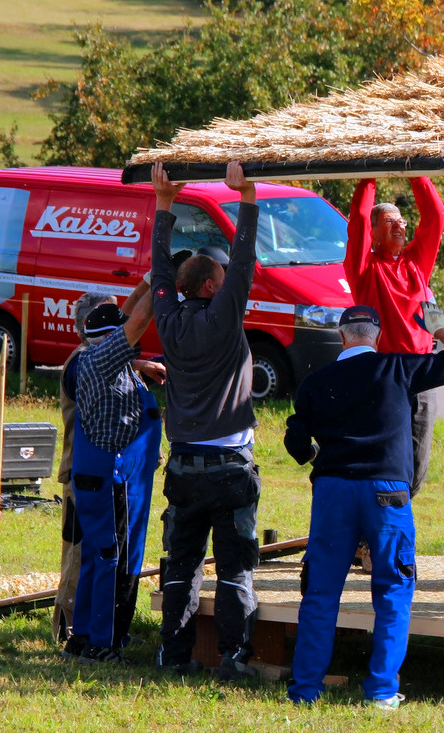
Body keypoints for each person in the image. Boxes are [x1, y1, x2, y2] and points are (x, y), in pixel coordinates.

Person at [283, 304, 444, 708]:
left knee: (320, 592)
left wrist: (316, 454)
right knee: (392, 590)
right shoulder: (399, 368)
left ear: (341, 337)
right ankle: (382, 691)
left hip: (334, 490)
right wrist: (439, 329)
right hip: (388, 492)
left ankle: (305, 691)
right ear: (378, 337)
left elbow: (295, 442)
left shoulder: (317, 381)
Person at [150, 161, 262, 680]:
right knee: (235, 564)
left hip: (183, 466)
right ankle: (234, 657)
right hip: (231, 466)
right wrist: (247, 198)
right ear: (214, 288)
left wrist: (164, 204)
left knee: (181, 564)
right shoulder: (224, 317)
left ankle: (173, 656)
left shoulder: (169, 321)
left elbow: (159, 271)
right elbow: (245, 261)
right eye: (222, 278)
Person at [55, 289, 166, 654]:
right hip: (112, 476)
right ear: (110, 340)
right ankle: (105, 643)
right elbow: (137, 320)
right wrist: (161, 282)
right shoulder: (101, 360)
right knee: (113, 559)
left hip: (99, 473)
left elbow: (128, 321)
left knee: (96, 554)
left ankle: (83, 635)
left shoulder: (99, 357)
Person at [344, 176, 444, 498]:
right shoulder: (364, 269)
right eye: (389, 222)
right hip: (385, 372)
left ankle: (402, 508)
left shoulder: (416, 264)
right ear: (373, 232)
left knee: (419, 454)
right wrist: (369, 176)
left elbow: (435, 216)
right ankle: (379, 513)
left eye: (402, 221)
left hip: (421, 370)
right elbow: (358, 220)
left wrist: (416, 173)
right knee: (385, 451)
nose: (399, 226)